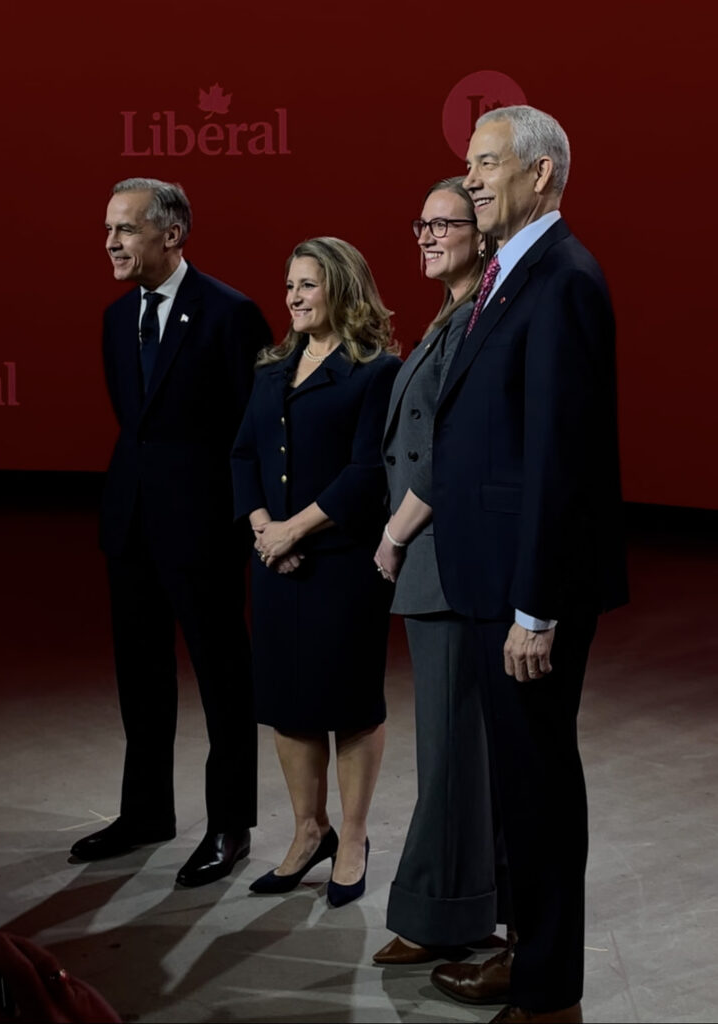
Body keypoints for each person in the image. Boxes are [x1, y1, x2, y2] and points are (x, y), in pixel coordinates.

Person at [428, 108, 628, 1023]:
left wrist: (534, 609)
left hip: (524, 592)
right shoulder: (511, 274)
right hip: (490, 581)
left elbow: (559, 457)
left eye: (485, 164)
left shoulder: (563, 280)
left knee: (540, 791)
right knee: (517, 785)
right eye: (466, 164)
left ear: (541, 175)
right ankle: (524, 951)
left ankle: (551, 997)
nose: (469, 180)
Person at [70, 178, 273, 888]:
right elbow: (138, 429)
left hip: (206, 530)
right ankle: (146, 811)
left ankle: (229, 825)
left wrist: (248, 521)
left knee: (223, 679)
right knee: (141, 677)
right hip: (130, 525)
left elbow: (250, 432)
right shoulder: (111, 319)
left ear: (172, 233)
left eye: (124, 230)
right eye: (108, 230)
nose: (111, 244)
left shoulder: (230, 315)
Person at [230, 237, 400, 906]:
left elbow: (367, 473)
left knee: (349, 704)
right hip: (275, 559)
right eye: (289, 285)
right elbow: (242, 455)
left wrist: (292, 530)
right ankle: (309, 832)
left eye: (308, 284)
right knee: (287, 703)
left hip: (341, 564)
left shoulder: (374, 371)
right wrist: (262, 531)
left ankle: (352, 839)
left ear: (341, 288)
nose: (294, 296)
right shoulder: (271, 368)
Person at [370, 177, 512, 967]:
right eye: (418, 223)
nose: (423, 236)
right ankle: (458, 909)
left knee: (452, 754)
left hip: (444, 564)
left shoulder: (473, 322)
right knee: (457, 750)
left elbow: (450, 453)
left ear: (480, 233)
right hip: (436, 567)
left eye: (442, 224)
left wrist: (393, 534)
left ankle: (443, 919)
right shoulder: (451, 316)